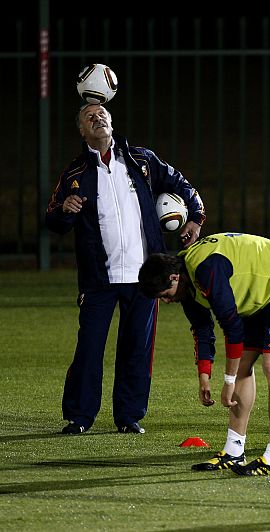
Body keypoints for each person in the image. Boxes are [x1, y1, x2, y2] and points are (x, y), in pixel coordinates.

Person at [45, 103, 205, 435]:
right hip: (98, 279)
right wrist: (65, 209)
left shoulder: (141, 160)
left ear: (112, 122)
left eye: (102, 114)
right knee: (89, 347)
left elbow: (182, 183)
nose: (97, 118)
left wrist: (195, 216)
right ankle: (79, 416)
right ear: (82, 131)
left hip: (145, 277)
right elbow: (53, 220)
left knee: (137, 348)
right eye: (89, 117)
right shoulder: (75, 174)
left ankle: (129, 416)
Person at [138, 233, 270, 476]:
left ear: (174, 277)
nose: (167, 301)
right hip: (256, 294)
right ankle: (234, 451)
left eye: (165, 295)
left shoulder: (207, 270)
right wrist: (204, 375)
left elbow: (232, 329)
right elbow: (202, 328)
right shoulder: (186, 281)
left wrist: (228, 383)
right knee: (243, 366)